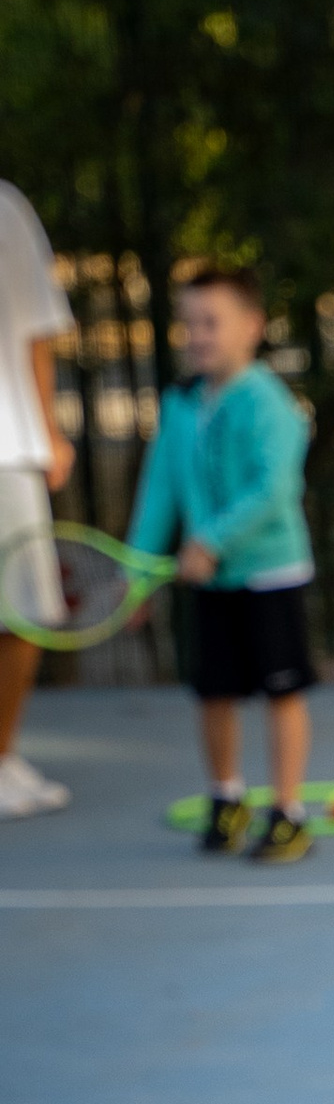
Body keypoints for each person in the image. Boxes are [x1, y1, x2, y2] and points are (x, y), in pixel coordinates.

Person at [129, 267, 319, 862]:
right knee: (214, 692)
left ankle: (287, 810)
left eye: (211, 322)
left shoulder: (269, 402)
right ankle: (226, 796)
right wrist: (138, 572)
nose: (198, 335)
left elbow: (274, 488)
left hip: (269, 573)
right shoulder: (180, 404)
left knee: (281, 693)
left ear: (252, 327)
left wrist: (209, 541)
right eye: (189, 324)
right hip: (209, 581)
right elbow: (160, 489)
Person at [0, 176, 75, 820]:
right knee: (19, 616)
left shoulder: (5, 208)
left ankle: (1, 757)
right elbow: (40, 332)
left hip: (8, 445)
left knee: (21, 616)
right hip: (10, 451)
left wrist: (46, 430)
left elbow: (37, 327)